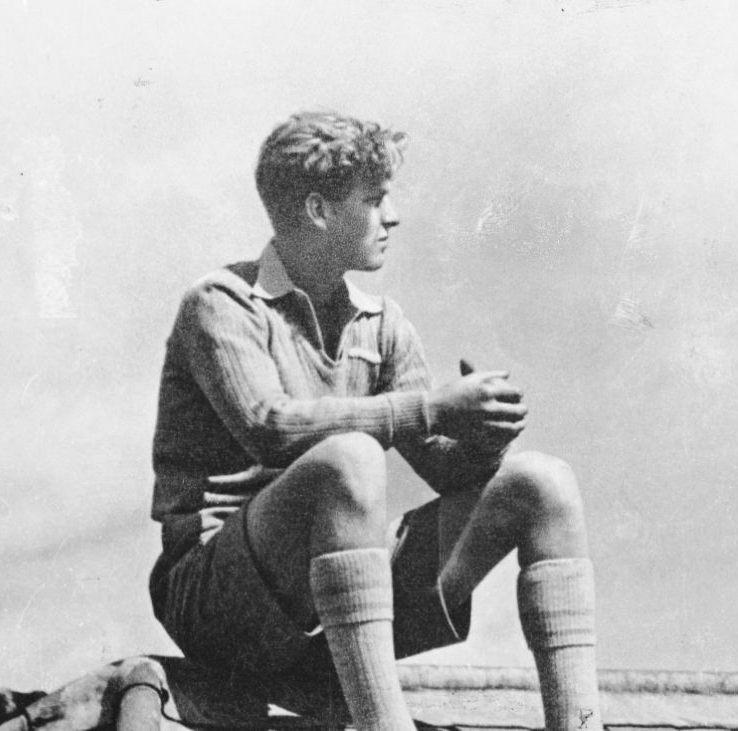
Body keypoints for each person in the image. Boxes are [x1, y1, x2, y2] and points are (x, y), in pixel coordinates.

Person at [147, 111, 601, 731]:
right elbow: (270, 427)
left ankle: (579, 725)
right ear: (318, 211)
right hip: (219, 606)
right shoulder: (221, 304)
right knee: (350, 459)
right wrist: (435, 407)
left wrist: (481, 439)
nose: (393, 216)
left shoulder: (382, 324)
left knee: (542, 483)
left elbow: (443, 467)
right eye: (374, 198)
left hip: (332, 606)